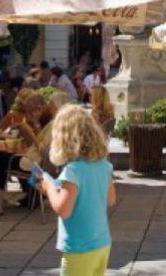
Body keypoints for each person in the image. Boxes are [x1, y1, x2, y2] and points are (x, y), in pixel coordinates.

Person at [36, 104, 116, 276]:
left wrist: (49, 188)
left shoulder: (72, 171)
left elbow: (63, 210)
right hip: (101, 243)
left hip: (80, 247)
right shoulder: (104, 165)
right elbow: (110, 199)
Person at [0, 92, 46, 215]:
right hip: (32, 159)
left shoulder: (46, 124)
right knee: (1, 158)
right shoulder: (42, 122)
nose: (29, 115)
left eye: (31, 112)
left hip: (34, 164)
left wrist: (29, 131)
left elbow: (42, 149)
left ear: (39, 109)